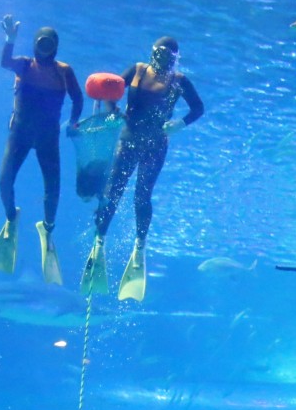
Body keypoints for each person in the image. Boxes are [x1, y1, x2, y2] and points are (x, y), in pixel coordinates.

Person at [81, 36, 204, 299]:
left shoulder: (179, 81)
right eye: (160, 55)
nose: (163, 61)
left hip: (155, 144)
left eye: (169, 57)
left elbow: (198, 108)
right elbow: (111, 90)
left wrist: (179, 124)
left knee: (142, 196)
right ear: (153, 53)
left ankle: (139, 247)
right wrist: (112, 110)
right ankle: (99, 241)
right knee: (113, 192)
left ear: (175, 58)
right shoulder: (137, 70)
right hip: (128, 140)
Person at [0, 14, 84, 285]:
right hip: (19, 135)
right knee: (4, 182)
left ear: (55, 47)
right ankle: (11, 218)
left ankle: (48, 227)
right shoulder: (24, 66)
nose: (44, 49)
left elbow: (78, 98)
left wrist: (75, 122)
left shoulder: (63, 71)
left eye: (48, 44)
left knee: (53, 190)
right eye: (40, 43)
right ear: (34, 44)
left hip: (47, 139)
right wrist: (9, 39)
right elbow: (4, 62)